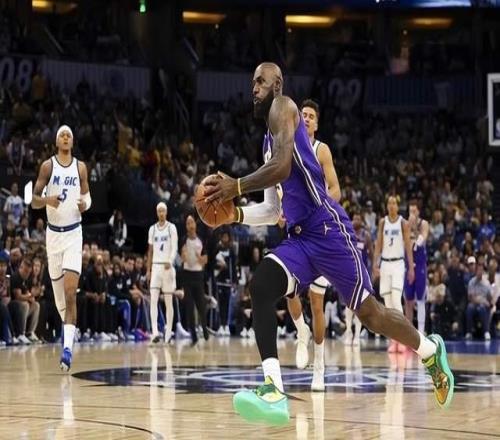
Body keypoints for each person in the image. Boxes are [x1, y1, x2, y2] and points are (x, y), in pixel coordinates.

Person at [204, 62, 453, 425]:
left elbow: (284, 167)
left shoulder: (284, 107)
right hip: (300, 238)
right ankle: (273, 391)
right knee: (260, 287)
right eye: (252, 82)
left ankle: (430, 349)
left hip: (327, 229)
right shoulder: (266, 142)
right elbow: (274, 209)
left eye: (261, 81)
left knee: (371, 315)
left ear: (278, 84)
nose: (254, 87)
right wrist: (236, 215)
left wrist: (236, 186)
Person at [285, 99, 341, 391]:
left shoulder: (321, 150)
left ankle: (319, 367)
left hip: (320, 232)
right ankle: (301, 331)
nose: (305, 118)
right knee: (288, 289)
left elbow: (336, 189)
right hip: (296, 230)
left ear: (316, 124)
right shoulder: (288, 149)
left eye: (310, 116)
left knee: (317, 303)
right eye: (302, 114)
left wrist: (320, 207)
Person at [31, 125, 91, 371]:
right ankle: (69, 329)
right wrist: (48, 200)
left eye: (69, 135)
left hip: (74, 234)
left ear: (72, 142)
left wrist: (85, 205)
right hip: (53, 237)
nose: (66, 137)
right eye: (62, 135)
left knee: (70, 292)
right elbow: (33, 201)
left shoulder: (80, 167)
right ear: (57, 142)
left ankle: (67, 350)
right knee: (60, 301)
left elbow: (88, 197)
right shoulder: (48, 166)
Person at [373, 195, 414, 353]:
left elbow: (408, 246)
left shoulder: (403, 223)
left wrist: (411, 268)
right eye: (389, 203)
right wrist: (375, 264)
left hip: (398, 264)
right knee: (388, 305)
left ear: (398, 206)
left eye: (394, 203)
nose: (391, 205)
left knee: (397, 301)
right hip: (385, 264)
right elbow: (378, 244)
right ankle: (394, 340)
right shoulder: (382, 222)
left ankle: (403, 338)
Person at [146, 202, 178, 344]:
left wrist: (170, 260)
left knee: (168, 301)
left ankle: (168, 333)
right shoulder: (152, 229)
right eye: (159, 211)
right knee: (153, 300)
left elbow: (174, 247)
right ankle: (154, 332)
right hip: (156, 267)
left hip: (167, 267)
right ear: (156, 212)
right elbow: (150, 251)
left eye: (163, 211)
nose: (161, 213)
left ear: (166, 212)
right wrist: (148, 270)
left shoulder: (171, 228)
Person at [344, 211, 373, 346]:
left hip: (362, 274)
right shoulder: (346, 232)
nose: (355, 221)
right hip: (348, 272)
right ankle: (348, 331)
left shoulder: (365, 235)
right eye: (354, 218)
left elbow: (372, 254)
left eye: (358, 219)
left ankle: (356, 335)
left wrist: (373, 270)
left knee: (359, 306)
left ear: (361, 221)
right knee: (348, 306)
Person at [180, 215, 209, 345]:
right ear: (186, 226)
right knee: (189, 307)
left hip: (198, 276)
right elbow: (182, 258)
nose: (190, 225)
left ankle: (204, 327)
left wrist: (199, 258)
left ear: (195, 225)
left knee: (201, 306)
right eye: (188, 223)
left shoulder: (201, 240)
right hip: (187, 275)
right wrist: (184, 255)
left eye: (192, 222)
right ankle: (193, 336)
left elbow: (205, 261)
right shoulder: (183, 240)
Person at [404, 201, 429, 334]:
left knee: (420, 299)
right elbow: (405, 243)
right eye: (410, 211)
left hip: (419, 265)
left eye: (414, 211)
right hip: (408, 264)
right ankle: (409, 331)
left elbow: (421, 239)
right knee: (408, 299)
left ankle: (421, 330)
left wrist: (413, 230)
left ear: (418, 212)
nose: (412, 214)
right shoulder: (405, 225)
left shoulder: (423, 224)